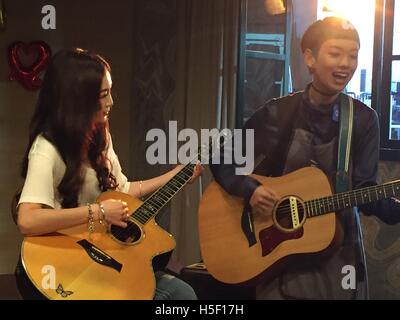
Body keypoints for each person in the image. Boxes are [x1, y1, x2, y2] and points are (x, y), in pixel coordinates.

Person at [210, 17, 400, 299]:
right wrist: (250, 190)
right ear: (310, 58)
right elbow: (222, 157)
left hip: (338, 250)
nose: (346, 64)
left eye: (353, 55)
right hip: (278, 250)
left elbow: (365, 191)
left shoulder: (363, 120)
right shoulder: (278, 112)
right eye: (335, 54)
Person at [15, 48, 203, 300]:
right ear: (78, 99)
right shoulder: (47, 148)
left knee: (183, 293)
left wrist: (176, 175)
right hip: (63, 260)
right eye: (103, 95)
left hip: (101, 251)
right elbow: (27, 220)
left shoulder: (99, 136)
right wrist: (100, 212)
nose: (111, 102)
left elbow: (123, 191)